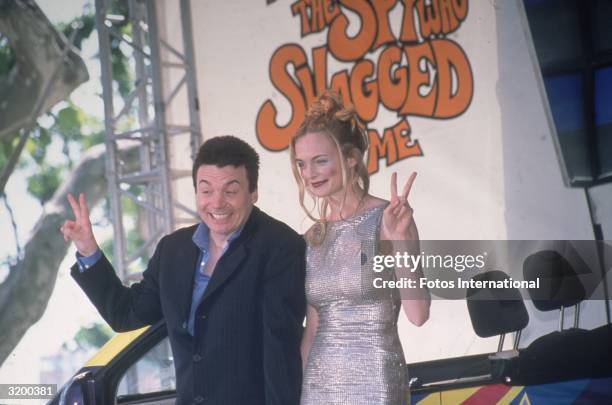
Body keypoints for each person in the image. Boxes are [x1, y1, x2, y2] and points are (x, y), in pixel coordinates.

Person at [61, 135, 306, 405]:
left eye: (230, 191)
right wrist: (88, 250)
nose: (217, 202)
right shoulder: (173, 250)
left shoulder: (280, 246)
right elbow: (126, 314)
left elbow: (279, 352)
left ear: (253, 192)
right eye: (206, 190)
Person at [291, 91, 431, 404]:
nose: (309, 174)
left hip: (377, 384)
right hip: (317, 386)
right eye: (302, 164)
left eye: (320, 161)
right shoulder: (310, 238)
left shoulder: (388, 219)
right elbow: (312, 328)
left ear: (351, 157)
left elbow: (418, 315)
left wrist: (400, 240)